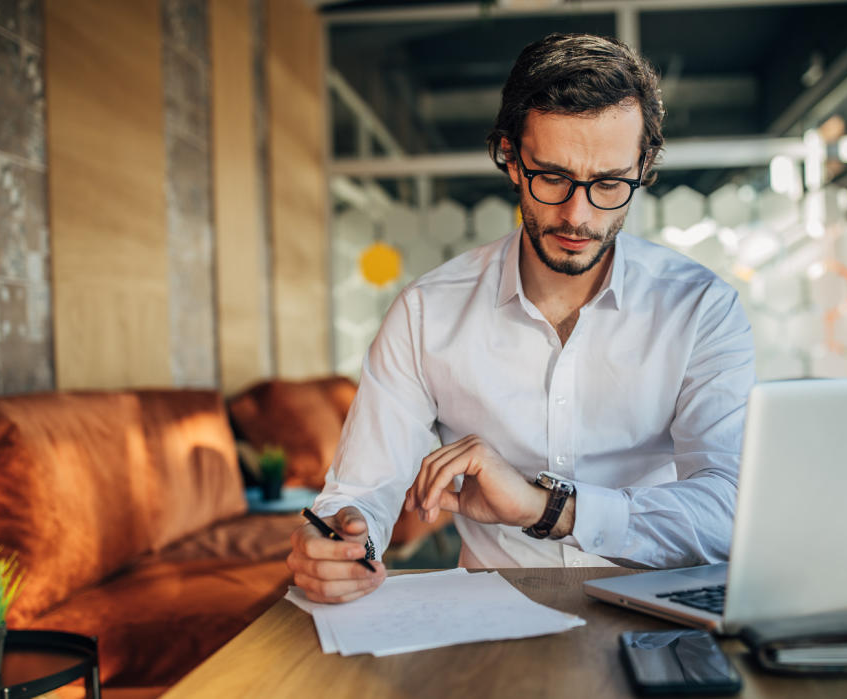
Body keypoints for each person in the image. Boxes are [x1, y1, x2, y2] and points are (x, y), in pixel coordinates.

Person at [288, 33, 755, 604]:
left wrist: (547, 508)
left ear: (644, 166)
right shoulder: (426, 313)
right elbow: (362, 490)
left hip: (661, 615)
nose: (577, 215)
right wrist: (340, 543)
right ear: (509, 156)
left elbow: (730, 513)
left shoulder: (702, 309)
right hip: (492, 614)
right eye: (552, 177)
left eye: (609, 183)